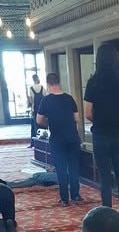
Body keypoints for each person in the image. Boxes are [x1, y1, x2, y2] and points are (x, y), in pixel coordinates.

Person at [84, 43, 119, 221]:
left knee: (104, 178)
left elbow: (88, 113)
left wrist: (101, 120)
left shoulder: (93, 82)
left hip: (100, 135)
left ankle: (107, 216)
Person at [36, 72, 83, 207]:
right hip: (73, 138)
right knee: (73, 166)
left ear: (48, 84)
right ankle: (75, 194)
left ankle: (64, 198)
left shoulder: (46, 100)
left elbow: (39, 120)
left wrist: (48, 123)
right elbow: (76, 119)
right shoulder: (69, 98)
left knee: (61, 168)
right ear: (59, 82)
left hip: (57, 139)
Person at [28, 74, 46, 147]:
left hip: (34, 110)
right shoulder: (42, 88)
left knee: (34, 127)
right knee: (43, 126)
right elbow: (45, 98)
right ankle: (43, 143)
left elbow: (30, 100)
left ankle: (33, 143)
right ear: (37, 78)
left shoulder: (31, 88)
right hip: (42, 110)